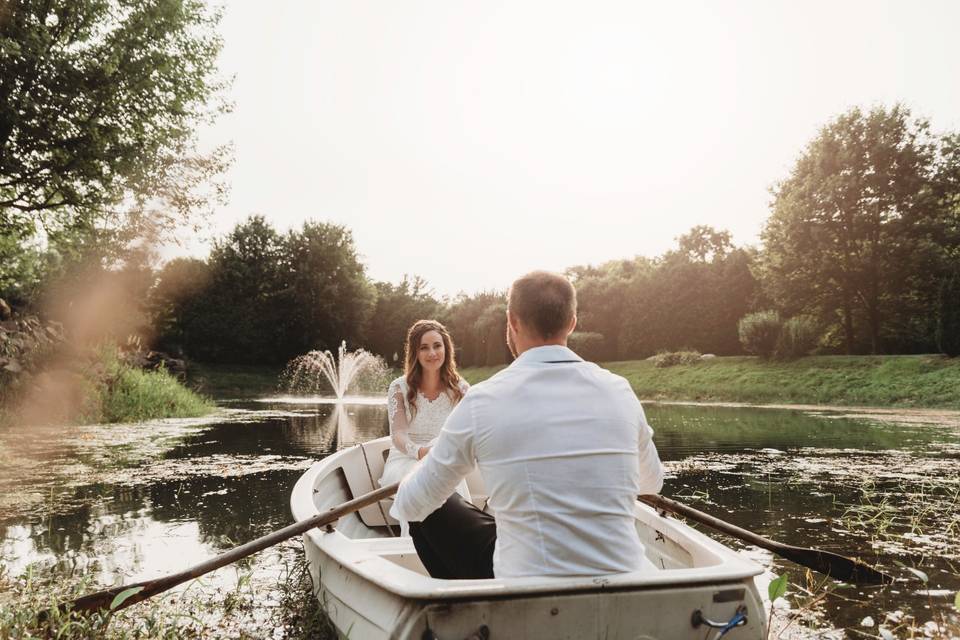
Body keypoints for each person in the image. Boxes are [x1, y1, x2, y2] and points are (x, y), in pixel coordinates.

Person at [391, 271, 665, 580]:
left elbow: (411, 504)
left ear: (512, 321)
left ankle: (470, 611)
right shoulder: (620, 390)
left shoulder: (482, 400)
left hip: (526, 580)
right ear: (572, 322)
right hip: (625, 573)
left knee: (422, 506)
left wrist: (414, 474)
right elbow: (651, 484)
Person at [380, 319, 470, 536]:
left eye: (437, 346)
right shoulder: (399, 387)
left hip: (441, 458)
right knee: (418, 483)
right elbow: (398, 434)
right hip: (405, 458)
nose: (432, 353)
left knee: (445, 483)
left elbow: (471, 431)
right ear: (415, 353)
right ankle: (414, 545)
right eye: (424, 347)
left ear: (446, 349)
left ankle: (453, 545)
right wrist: (420, 452)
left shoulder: (461, 389)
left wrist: (439, 454)